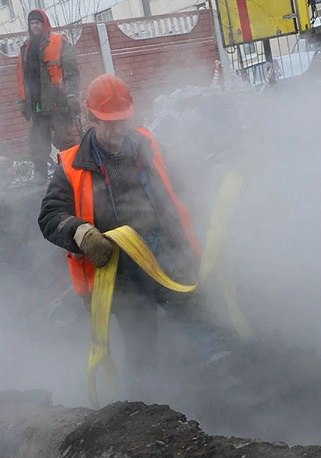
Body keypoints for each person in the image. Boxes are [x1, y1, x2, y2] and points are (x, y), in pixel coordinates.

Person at [39, 74, 229, 386]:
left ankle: (232, 382)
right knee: (141, 343)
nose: (116, 131)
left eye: (121, 121)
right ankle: (145, 408)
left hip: (164, 252)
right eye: (108, 123)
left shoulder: (148, 146)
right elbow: (50, 215)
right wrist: (81, 233)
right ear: (91, 119)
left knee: (200, 320)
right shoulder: (72, 166)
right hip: (120, 270)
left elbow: (179, 184)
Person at [17, 9, 79, 183]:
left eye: (37, 22)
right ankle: (40, 176)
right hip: (37, 104)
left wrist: (72, 95)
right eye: (32, 23)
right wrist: (23, 102)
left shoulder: (59, 42)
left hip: (57, 101)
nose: (35, 26)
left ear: (44, 23)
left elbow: (72, 72)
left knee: (64, 139)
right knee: (37, 140)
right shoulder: (26, 48)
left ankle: (72, 174)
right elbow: (22, 77)